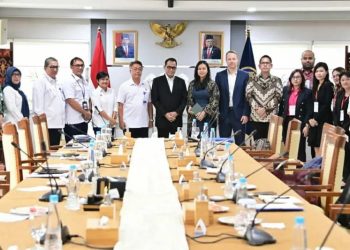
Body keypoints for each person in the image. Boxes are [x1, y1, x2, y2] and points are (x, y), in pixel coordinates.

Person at [278, 69, 313, 161]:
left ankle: (300, 171)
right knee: (287, 145)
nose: (295, 79)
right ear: (290, 79)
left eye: (298, 77)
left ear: (302, 79)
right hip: (287, 121)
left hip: (300, 121)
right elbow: (281, 108)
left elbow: (309, 111)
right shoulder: (285, 90)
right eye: (293, 77)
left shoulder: (307, 92)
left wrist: (307, 125)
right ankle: (289, 169)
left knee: (299, 147)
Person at [216, 50, 250, 144]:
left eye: (233, 59)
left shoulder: (245, 76)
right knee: (224, 143)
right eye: (229, 59)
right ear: (226, 61)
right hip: (224, 114)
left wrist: (246, 113)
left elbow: (247, 97)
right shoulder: (219, 76)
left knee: (240, 144)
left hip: (239, 115)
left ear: (237, 60)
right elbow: (216, 96)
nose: (231, 61)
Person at [246, 55, 283, 140]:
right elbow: (248, 95)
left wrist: (265, 109)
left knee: (270, 146)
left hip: (272, 119)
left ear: (271, 65)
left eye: (267, 63)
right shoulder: (252, 79)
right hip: (256, 118)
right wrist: (257, 109)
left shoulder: (277, 80)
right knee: (257, 145)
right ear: (259, 66)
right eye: (263, 63)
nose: (265, 65)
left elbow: (278, 97)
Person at [32, 57, 65, 146]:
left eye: (57, 67)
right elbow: (38, 108)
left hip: (57, 124)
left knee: (55, 152)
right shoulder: (40, 82)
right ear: (45, 67)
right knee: (47, 153)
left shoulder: (57, 82)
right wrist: (43, 126)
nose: (55, 69)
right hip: (47, 125)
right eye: (52, 67)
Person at [151, 58, 187, 138]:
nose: (171, 69)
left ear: (176, 68)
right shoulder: (157, 81)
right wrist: (165, 114)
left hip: (176, 120)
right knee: (162, 146)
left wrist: (176, 112)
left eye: (173, 67)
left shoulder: (181, 81)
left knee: (177, 146)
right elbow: (155, 100)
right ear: (164, 67)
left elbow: (184, 100)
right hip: (162, 120)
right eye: (169, 67)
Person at [117, 60, 153, 138]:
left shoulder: (146, 85)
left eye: (140, 69)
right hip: (129, 124)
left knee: (143, 148)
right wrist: (120, 120)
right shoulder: (124, 86)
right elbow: (120, 105)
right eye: (135, 69)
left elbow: (149, 104)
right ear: (130, 70)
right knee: (129, 147)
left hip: (143, 123)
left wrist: (151, 119)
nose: (138, 71)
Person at [62, 57, 92, 143]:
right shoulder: (68, 81)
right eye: (77, 65)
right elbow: (70, 100)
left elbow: (87, 98)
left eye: (82, 65)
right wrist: (85, 112)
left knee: (83, 147)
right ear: (71, 67)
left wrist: (89, 111)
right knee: (73, 149)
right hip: (73, 122)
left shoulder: (84, 81)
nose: (80, 67)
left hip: (83, 120)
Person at [187, 60, 220, 136]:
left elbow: (215, 101)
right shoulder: (192, 84)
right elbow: (190, 101)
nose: (201, 71)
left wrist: (204, 112)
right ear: (196, 71)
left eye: (204, 68)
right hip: (195, 117)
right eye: (199, 69)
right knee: (194, 141)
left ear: (207, 70)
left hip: (209, 117)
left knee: (208, 141)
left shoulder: (212, 84)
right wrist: (198, 112)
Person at [307, 62, 334, 156]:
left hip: (323, 119)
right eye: (317, 71)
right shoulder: (315, 86)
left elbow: (326, 105)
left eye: (321, 71)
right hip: (314, 120)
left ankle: (321, 169)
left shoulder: (328, 85)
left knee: (322, 146)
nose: (319, 73)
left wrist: (315, 119)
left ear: (326, 72)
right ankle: (316, 168)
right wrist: (309, 119)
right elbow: (311, 104)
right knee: (315, 145)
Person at [333, 71, 350, 181]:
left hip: (348, 129)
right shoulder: (339, 94)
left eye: (347, 79)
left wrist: (344, 128)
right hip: (340, 128)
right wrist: (337, 126)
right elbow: (335, 111)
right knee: (342, 154)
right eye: (343, 80)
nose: (345, 82)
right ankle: (343, 178)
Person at [91, 71, 118, 136]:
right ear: (97, 81)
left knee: (111, 143)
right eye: (102, 79)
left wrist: (113, 119)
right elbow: (99, 110)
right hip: (99, 125)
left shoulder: (112, 91)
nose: (105, 81)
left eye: (106, 79)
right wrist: (111, 120)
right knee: (101, 144)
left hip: (111, 124)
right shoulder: (94, 93)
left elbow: (115, 106)